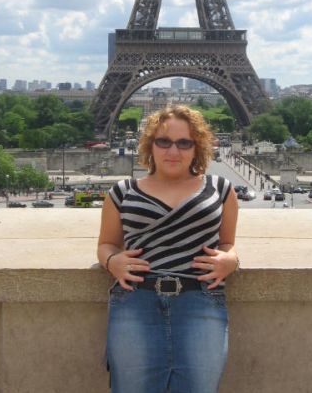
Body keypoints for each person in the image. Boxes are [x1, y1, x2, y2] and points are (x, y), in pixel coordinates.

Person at [97, 105, 239, 393]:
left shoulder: (221, 188)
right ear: (150, 145)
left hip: (200, 300)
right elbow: (105, 244)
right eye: (163, 141)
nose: (173, 150)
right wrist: (113, 262)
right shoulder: (122, 192)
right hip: (136, 300)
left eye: (184, 143)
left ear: (197, 147)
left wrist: (231, 260)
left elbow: (228, 243)